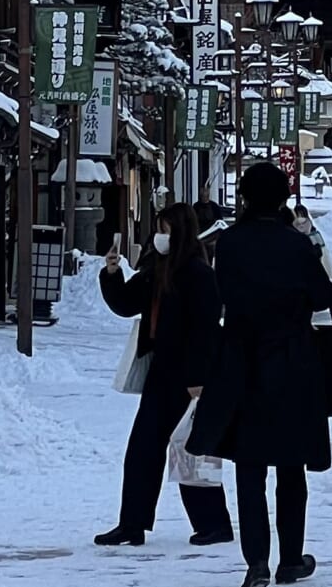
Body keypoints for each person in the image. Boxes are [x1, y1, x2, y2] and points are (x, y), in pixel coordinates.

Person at [188, 162, 332, 587]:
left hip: (241, 359)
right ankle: (291, 558)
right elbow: (323, 296)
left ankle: (256, 563)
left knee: (249, 467)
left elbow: (221, 297)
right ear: (284, 197)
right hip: (292, 362)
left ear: (247, 197)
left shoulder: (229, 243)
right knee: (291, 466)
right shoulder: (296, 245)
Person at [94, 204, 233, 549]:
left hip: (188, 373)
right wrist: (111, 274)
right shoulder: (156, 268)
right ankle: (132, 523)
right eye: (159, 228)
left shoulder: (198, 274)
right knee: (144, 447)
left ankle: (213, 523)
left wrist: (198, 376)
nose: (160, 237)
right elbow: (127, 304)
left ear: (181, 233)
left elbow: (205, 329)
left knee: (191, 448)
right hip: (161, 368)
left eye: (166, 230)